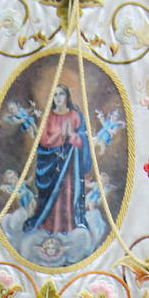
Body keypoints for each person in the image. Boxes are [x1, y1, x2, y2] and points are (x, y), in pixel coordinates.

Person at [24, 83, 92, 237]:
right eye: (55, 95)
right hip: (50, 164)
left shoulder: (75, 116)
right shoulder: (49, 117)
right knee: (50, 196)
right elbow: (44, 141)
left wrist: (72, 137)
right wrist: (62, 134)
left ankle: (68, 226)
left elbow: (83, 140)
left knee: (67, 193)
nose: (58, 98)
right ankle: (49, 225)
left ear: (67, 96)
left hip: (69, 166)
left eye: (61, 94)